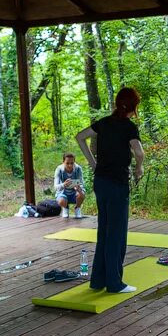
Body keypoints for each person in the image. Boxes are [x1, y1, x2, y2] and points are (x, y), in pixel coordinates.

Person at [75, 87, 145, 294]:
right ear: (133, 106)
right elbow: (139, 152)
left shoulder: (104, 123)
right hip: (117, 183)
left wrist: (93, 163)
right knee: (116, 232)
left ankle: (98, 280)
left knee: (104, 229)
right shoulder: (128, 127)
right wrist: (139, 167)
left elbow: (80, 137)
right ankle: (114, 283)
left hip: (101, 182)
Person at [53, 153, 86, 218]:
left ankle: (77, 208)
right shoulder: (59, 169)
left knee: (82, 194)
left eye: (72, 163)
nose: (70, 165)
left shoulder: (78, 169)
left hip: (75, 192)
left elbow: (82, 183)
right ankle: (65, 208)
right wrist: (63, 185)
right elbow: (55, 187)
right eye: (67, 163)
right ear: (63, 162)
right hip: (63, 192)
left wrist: (79, 188)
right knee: (61, 200)